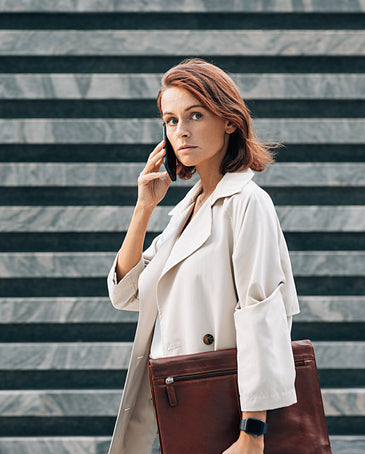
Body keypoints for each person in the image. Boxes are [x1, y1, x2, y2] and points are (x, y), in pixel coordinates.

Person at [107, 58, 300, 454]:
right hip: (176, 404)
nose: (182, 131)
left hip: (225, 411)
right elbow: (127, 294)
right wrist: (143, 208)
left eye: (195, 115)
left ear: (229, 120)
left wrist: (253, 433)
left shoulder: (247, 202)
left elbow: (263, 318)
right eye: (171, 120)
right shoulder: (186, 210)